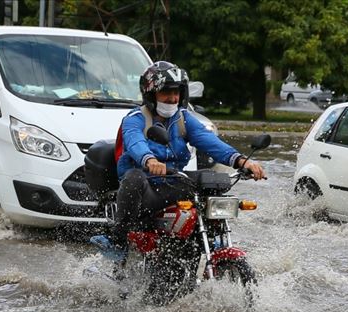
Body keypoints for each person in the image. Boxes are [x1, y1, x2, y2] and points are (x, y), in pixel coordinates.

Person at [93, 61, 266, 261]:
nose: (173, 98)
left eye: (176, 92)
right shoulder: (135, 118)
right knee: (133, 178)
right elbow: (135, 141)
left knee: (212, 179)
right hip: (146, 187)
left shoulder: (183, 118)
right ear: (151, 93)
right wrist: (149, 160)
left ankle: (207, 238)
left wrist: (242, 161)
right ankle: (117, 240)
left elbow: (209, 141)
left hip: (173, 180)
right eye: (166, 92)